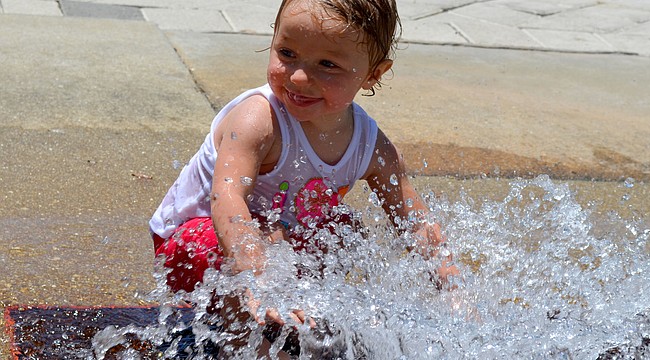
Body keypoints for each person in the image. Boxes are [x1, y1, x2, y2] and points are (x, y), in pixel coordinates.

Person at [149, 0, 457, 355]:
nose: (297, 76)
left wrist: (452, 290)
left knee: (346, 230)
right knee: (247, 244)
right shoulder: (258, 120)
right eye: (287, 52)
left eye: (327, 64)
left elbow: (416, 222)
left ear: (373, 73)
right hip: (191, 243)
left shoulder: (371, 147)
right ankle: (242, 345)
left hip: (275, 238)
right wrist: (259, 274)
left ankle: (294, 324)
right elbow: (227, 199)